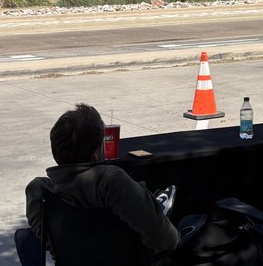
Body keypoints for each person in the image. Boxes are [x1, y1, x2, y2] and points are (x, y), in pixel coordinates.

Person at [25, 103, 180, 254]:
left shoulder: (38, 191)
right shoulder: (112, 182)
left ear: (55, 151)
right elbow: (165, 239)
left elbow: (52, 245)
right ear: (96, 152)